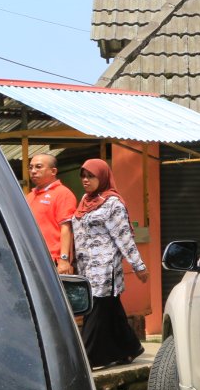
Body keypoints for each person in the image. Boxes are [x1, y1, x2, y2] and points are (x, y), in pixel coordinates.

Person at [72, 158, 150, 369]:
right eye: (83, 176)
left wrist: (138, 265)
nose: (85, 180)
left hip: (105, 267)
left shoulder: (113, 203)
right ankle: (130, 347)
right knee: (111, 309)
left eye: (91, 176)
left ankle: (87, 358)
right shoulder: (85, 201)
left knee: (95, 310)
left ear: (103, 177)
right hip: (87, 267)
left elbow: (123, 236)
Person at [26, 153, 77, 274]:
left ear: (53, 171)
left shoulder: (63, 193)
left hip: (52, 260)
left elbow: (66, 227)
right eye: (31, 167)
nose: (33, 171)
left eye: (38, 167)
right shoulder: (30, 196)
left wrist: (63, 259)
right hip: (31, 258)